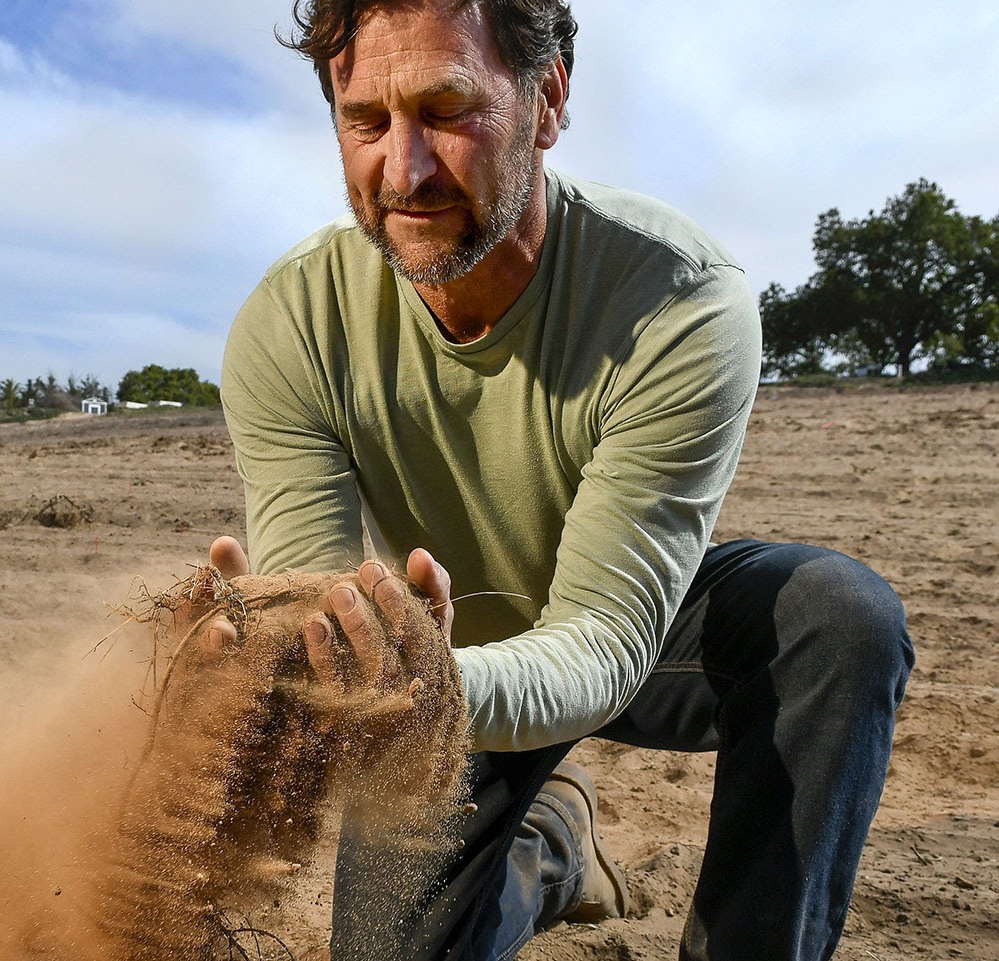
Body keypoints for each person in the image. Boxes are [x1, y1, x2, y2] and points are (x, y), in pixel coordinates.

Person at [208, 1, 915, 958]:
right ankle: (552, 852)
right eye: (365, 120)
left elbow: (606, 638)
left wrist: (437, 686)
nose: (404, 171)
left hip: (627, 622)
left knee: (838, 621)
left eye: (446, 111)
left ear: (546, 99)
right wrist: (274, 659)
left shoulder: (678, 298)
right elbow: (316, 602)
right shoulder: (291, 324)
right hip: (440, 646)